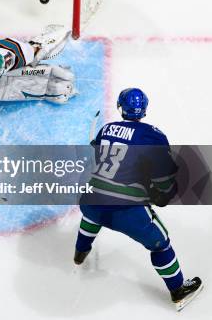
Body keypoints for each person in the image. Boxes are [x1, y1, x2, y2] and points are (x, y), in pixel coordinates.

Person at [74, 88, 203, 311]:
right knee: (161, 244)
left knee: (92, 214)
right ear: (144, 110)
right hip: (126, 211)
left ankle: (80, 251)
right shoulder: (154, 135)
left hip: (89, 199)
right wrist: (164, 192)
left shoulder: (106, 129)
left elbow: (96, 157)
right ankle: (178, 289)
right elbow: (163, 178)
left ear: (120, 107)